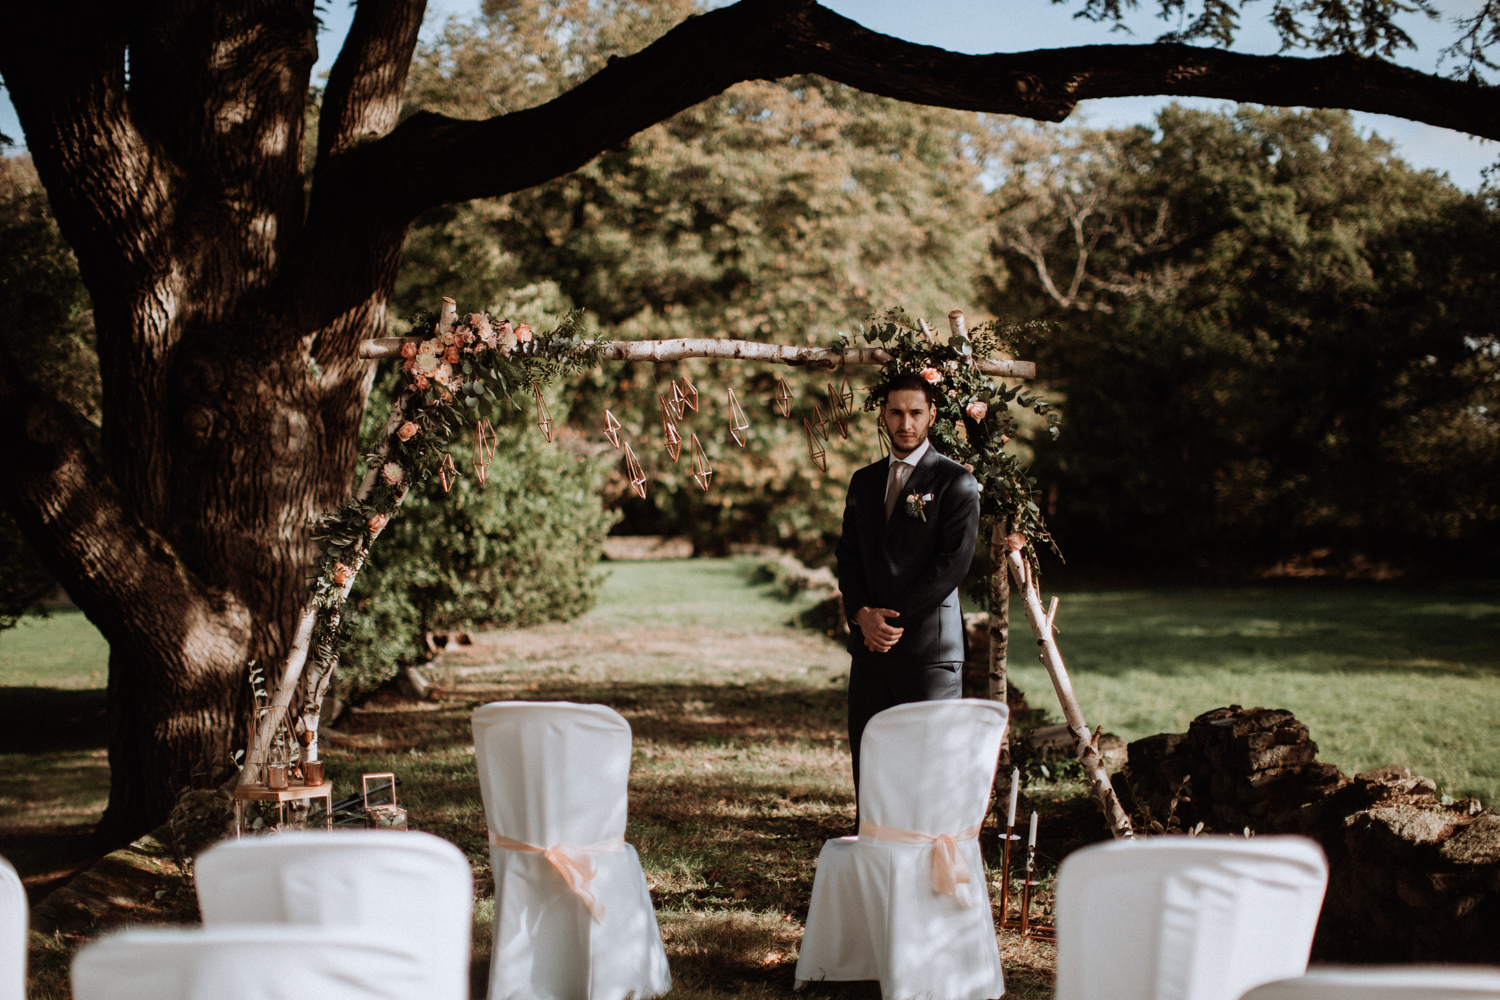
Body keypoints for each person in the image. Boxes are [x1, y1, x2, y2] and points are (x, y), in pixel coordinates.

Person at [835, 373, 981, 794]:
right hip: (869, 649)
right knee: (872, 771)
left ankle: (928, 860)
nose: (905, 423)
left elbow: (951, 566)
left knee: (927, 776)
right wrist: (861, 614)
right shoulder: (864, 481)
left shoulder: (956, 482)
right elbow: (849, 556)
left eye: (915, 412)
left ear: (931, 415)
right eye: (896, 412)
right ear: (882, 415)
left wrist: (889, 622)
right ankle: (875, 857)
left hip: (927, 654)